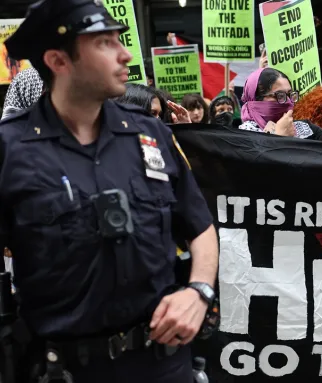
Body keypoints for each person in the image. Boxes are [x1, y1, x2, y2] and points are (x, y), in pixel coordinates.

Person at [1, 0, 218, 382]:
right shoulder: (11, 149)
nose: (126, 54)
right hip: (62, 369)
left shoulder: (152, 135)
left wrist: (198, 291)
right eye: (104, 43)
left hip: (164, 365)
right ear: (58, 61)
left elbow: (200, 227)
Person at [239, 68, 322, 148]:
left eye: (290, 95)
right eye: (280, 95)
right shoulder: (241, 137)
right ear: (255, 100)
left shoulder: (306, 128)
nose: (288, 101)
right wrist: (280, 138)